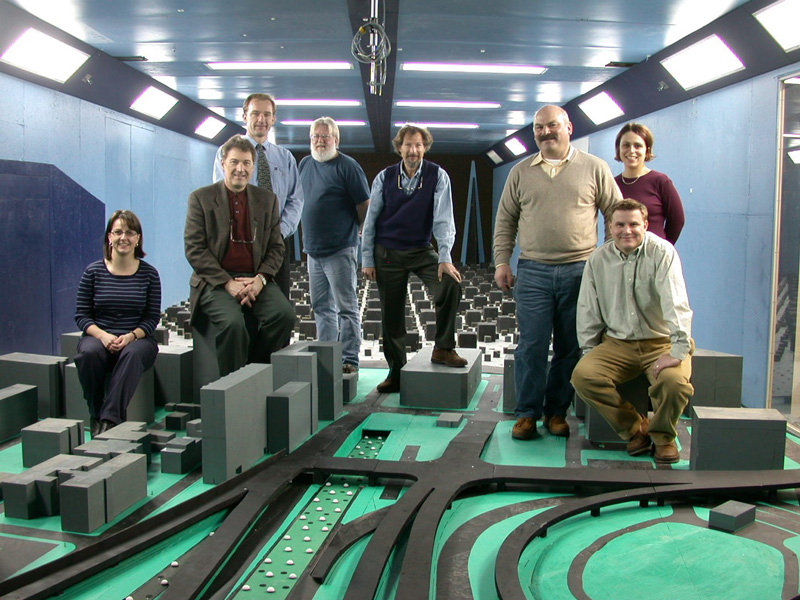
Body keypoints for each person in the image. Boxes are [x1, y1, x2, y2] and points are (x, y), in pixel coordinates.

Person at [493, 105, 622, 440]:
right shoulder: (520, 172)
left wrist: (607, 261)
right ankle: (526, 415)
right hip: (533, 271)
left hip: (581, 271)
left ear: (569, 127)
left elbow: (615, 214)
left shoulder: (595, 168)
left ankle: (556, 412)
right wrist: (502, 262)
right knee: (531, 345)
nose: (545, 132)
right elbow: (505, 220)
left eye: (552, 125)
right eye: (538, 128)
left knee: (570, 347)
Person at [570, 199, 694, 464]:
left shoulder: (663, 252)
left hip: (660, 342)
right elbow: (588, 308)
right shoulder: (598, 259)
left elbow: (677, 303)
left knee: (674, 384)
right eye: (620, 224)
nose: (627, 230)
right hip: (617, 344)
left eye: (634, 224)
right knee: (584, 376)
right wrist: (590, 351)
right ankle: (635, 428)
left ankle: (663, 437)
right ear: (611, 227)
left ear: (646, 225)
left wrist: (679, 349)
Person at [362, 123, 467, 393]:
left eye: (419, 145)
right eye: (408, 145)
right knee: (392, 316)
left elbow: (444, 219)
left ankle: (443, 348)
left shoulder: (437, 176)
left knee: (449, 284)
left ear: (425, 148)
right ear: (400, 148)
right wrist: (367, 259)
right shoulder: (384, 178)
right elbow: (370, 220)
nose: (413, 150)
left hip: (421, 250)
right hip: (387, 252)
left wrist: (445, 257)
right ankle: (396, 372)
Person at [187, 134, 295, 377]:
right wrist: (228, 283)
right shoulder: (201, 199)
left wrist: (260, 280)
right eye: (234, 162)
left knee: (284, 315)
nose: (240, 169)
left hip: (255, 278)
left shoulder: (267, 200)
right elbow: (194, 248)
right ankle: (233, 385)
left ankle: (255, 370)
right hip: (215, 282)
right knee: (233, 324)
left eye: (246, 163)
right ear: (223, 163)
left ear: (253, 166)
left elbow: (277, 247)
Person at [74, 210, 161, 437]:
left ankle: (110, 420)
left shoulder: (150, 274)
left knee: (131, 354)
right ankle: (95, 413)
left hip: (138, 339)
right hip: (99, 336)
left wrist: (130, 336)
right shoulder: (93, 271)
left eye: (130, 232)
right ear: (109, 237)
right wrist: (103, 336)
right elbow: (82, 316)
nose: (124, 237)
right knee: (88, 354)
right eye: (118, 232)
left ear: (138, 238)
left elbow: (152, 319)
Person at [212, 93, 304, 300]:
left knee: (278, 304)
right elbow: (222, 196)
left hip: (277, 242)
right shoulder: (226, 153)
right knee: (243, 302)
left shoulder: (285, 157)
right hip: (240, 242)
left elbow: (295, 199)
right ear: (245, 116)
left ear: (273, 119)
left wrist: (279, 232)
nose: (261, 119)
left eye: (266, 114)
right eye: (255, 113)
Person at [298, 117, 370, 373]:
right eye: (315, 136)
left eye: (325, 136)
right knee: (321, 308)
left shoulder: (348, 166)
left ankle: (349, 360)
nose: (319, 141)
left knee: (346, 308)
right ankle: (327, 359)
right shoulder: (305, 164)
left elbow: (364, 204)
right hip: (313, 252)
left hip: (340, 249)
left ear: (336, 140)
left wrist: (358, 230)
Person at [614, 122, 685, 244]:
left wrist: (662, 248)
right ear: (619, 149)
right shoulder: (612, 183)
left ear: (647, 150)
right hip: (620, 256)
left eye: (637, 146)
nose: (631, 151)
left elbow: (677, 220)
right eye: (626, 145)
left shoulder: (661, 181)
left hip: (653, 256)